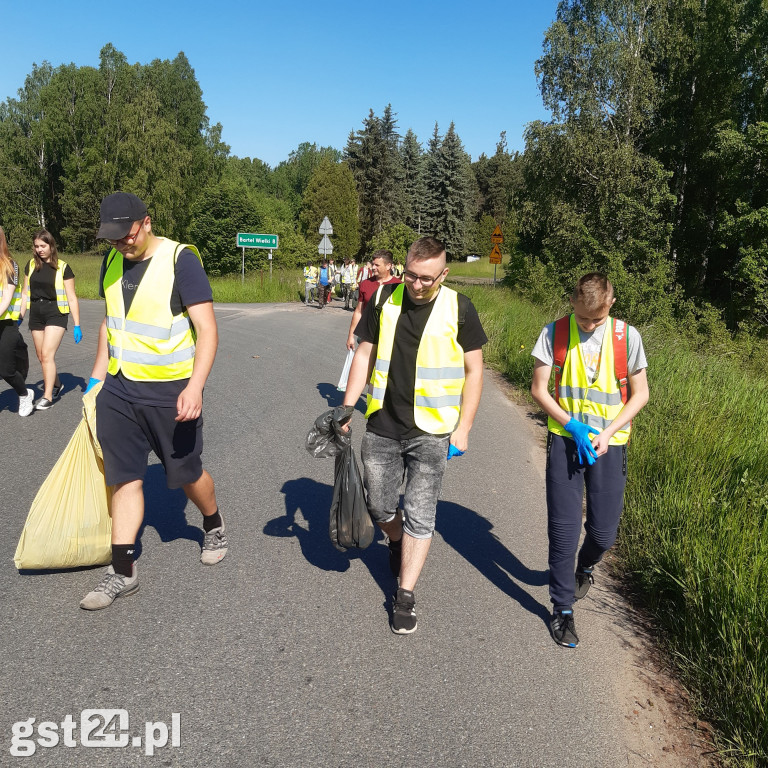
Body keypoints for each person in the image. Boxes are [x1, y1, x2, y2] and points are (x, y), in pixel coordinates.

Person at [79, 192, 226, 611]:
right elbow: (112, 325)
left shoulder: (181, 260)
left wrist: (195, 386)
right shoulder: (110, 262)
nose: (121, 244)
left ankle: (213, 523)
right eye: (113, 239)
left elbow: (208, 330)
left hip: (171, 391)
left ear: (146, 222)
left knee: (185, 473)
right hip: (120, 390)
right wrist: (95, 380)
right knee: (124, 477)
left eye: (126, 235)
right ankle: (122, 571)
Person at [341, 236, 487, 634]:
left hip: (433, 430)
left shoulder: (460, 307)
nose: (417, 284)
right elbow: (365, 354)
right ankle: (395, 537)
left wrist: (465, 427)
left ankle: (405, 594)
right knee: (379, 507)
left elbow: (475, 372)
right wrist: (346, 405)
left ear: (444, 274)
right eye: (411, 275)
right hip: (383, 424)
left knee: (422, 515)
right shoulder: (385, 300)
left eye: (426, 278)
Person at [530, 273, 649, 648]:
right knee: (563, 531)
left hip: (608, 445)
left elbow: (641, 394)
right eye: (582, 318)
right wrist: (572, 426)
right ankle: (562, 608)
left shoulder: (627, 338)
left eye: (595, 320)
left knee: (603, 534)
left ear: (610, 302)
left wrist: (608, 432)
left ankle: (584, 567)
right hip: (567, 440)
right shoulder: (554, 333)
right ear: (572, 302)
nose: (588, 325)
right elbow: (538, 389)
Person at [20, 229, 82, 410]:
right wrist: (20, 316)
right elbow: (24, 293)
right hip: (36, 313)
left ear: (51, 245)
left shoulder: (63, 267)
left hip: (56, 313)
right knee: (41, 356)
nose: (39, 249)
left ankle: (47, 396)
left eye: (43, 246)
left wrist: (77, 324)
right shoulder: (31, 265)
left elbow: (72, 297)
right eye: (37, 246)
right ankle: (57, 384)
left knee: (47, 354)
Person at [0, 227, 33, 416]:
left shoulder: (10, 265)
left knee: (6, 370)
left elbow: (6, 297)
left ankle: (24, 394)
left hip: (7, 325)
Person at [345, 250, 401, 352]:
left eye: (377, 265)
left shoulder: (399, 286)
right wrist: (351, 336)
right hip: (366, 336)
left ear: (388, 266)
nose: (373, 267)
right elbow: (358, 311)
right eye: (373, 264)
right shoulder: (365, 284)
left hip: (389, 340)